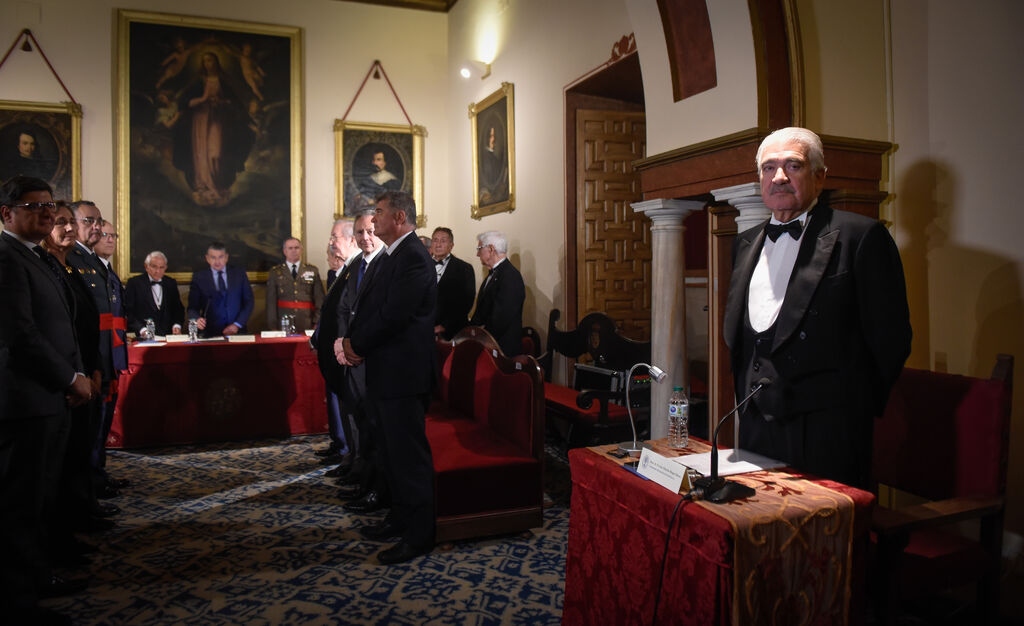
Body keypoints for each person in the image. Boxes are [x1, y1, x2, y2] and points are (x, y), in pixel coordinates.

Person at [723, 127, 912, 488]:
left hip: (828, 433)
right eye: (768, 168)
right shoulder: (744, 242)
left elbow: (892, 339)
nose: (779, 177)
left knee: (825, 524)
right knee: (755, 518)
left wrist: (848, 412)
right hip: (756, 423)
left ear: (820, 177)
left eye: (793, 165)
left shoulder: (861, 236)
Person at [0, 176, 91, 624]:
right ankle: (17, 600)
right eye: (34, 206)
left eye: (49, 205)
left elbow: (61, 325)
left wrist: (73, 375)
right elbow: (20, 333)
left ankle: (37, 578)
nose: (47, 213)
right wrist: (69, 376)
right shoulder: (6, 257)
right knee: (19, 503)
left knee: (40, 498)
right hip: (25, 401)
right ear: (7, 214)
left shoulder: (34, 255)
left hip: (48, 397)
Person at [341, 191, 437, 564]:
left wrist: (355, 345)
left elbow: (393, 315)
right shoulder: (393, 254)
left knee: (408, 458)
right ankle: (399, 518)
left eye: (379, 212)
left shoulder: (413, 256)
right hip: (387, 373)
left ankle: (419, 535)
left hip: (404, 377)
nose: (373, 219)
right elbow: (372, 308)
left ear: (399, 217)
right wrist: (354, 342)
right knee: (391, 455)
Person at [312, 211, 384, 480]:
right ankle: (354, 462)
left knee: (365, 419)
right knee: (351, 413)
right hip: (346, 353)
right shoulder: (354, 267)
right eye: (360, 232)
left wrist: (351, 346)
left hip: (364, 356)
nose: (365, 237)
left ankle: (364, 472)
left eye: (370, 231)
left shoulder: (381, 265)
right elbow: (341, 310)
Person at [67, 202, 126, 501]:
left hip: (106, 353)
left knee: (100, 424)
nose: (96, 227)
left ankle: (97, 475)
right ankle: (90, 484)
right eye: (88, 221)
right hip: (91, 357)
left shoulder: (92, 259)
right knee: (90, 428)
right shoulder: (71, 258)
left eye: (98, 221)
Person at [173, 51, 252, 207]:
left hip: (219, 120)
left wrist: (222, 102)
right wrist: (203, 99)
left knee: (216, 153)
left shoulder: (224, 82)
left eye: (210, 60)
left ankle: (219, 184)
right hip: (200, 121)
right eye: (205, 61)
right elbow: (185, 102)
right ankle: (203, 185)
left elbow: (235, 103)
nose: (208, 63)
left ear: (216, 62)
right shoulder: (198, 82)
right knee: (201, 153)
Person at [469, 230, 525, 356]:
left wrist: (479, 338)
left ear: (491, 249)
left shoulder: (510, 276)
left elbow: (500, 319)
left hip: (501, 350)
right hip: (488, 345)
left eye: (479, 249)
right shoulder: (495, 274)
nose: (477, 254)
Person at [187, 242, 255, 337]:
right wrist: (196, 319)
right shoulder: (199, 277)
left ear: (226, 257)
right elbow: (192, 307)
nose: (217, 261)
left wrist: (237, 324)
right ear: (207, 258)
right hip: (209, 333)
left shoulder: (239, 274)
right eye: (213, 257)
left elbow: (249, 302)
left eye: (220, 257)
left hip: (237, 332)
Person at [266, 237, 325, 332]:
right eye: (290, 248)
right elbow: (271, 302)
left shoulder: (312, 270)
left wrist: (317, 322)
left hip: (307, 321)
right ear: (285, 251)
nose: (294, 251)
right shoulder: (275, 272)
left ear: (301, 250)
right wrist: (273, 325)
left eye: (296, 248)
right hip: (283, 322)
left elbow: (319, 299)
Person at [125, 251, 185, 337]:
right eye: (154, 267)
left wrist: (177, 325)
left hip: (167, 336)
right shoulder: (134, 283)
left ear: (166, 268)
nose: (157, 271)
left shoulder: (171, 283)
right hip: (142, 336)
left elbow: (178, 310)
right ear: (146, 266)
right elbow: (129, 312)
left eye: (161, 267)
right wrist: (142, 330)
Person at [430, 227, 475, 340]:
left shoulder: (464, 269)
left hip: (452, 332)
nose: (438, 244)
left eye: (443, 241)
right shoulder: (421, 266)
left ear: (451, 245)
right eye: (435, 240)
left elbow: (466, 302)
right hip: (424, 330)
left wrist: (444, 326)